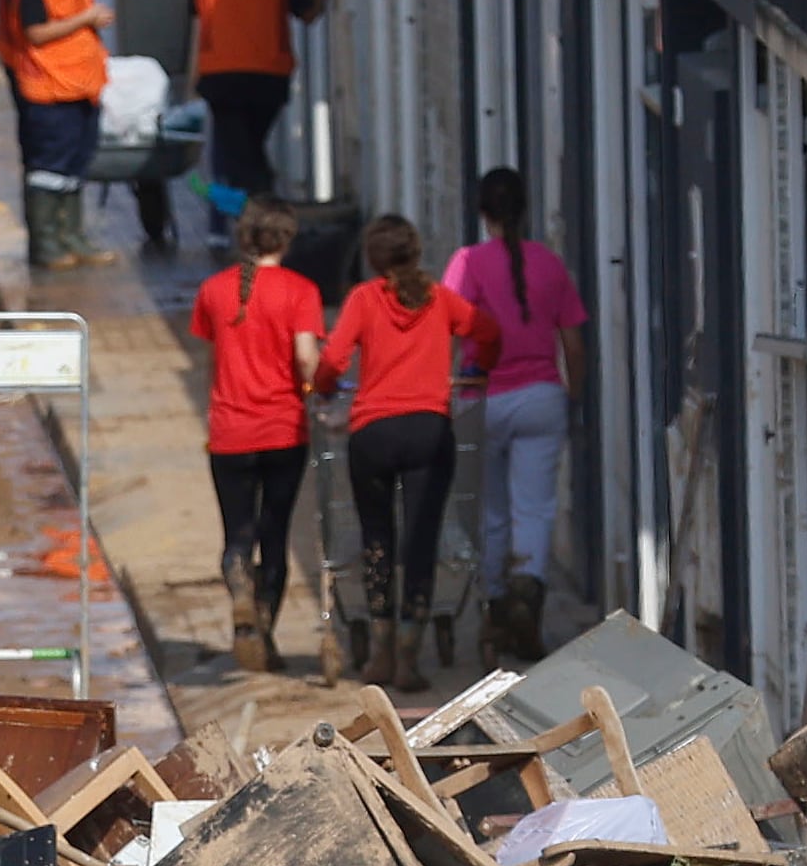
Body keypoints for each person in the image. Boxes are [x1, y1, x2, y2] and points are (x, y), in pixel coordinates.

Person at [314, 216, 494, 678]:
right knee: (420, 538)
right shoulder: (439, 298)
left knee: (377, 537)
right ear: (415, 253)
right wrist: (478, 366)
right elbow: (487, 330)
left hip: (372, 434)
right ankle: (412, 651)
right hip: (428, 434)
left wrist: (326, 387)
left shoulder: (363, 298)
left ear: (373, 258)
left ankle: (381, 649)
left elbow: (333, 358)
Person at [445, 168, 588, 663]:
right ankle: (529, 591)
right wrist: (574, 397)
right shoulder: (549, 264)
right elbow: (572, 342)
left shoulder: (467, 263)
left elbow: (446, 326)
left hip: (481, 397)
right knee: (535, 507)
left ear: (483, 214)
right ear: (524, 209)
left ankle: (495, 605)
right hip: (541, 398)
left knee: (490, 511)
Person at [190, 203, 324, 674]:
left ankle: (240, 595)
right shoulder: (301, 291)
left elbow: (212, 357)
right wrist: (321, 384)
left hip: (229, 431)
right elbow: (307, 358)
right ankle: (263, 633)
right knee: (275, 535)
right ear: (286, 240)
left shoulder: (213, 290)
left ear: (244, 239)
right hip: (283, 430)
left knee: (237, 534)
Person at [0, 0, 110, 273]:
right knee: (48, 168)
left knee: (76, 164)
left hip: (81, 85)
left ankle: (72, 235)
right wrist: (86, 19)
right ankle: (47, 242)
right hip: (49, 86)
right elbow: (35, 31)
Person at [188, 0, 327, 226]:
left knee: (242, 159)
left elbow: (197, 21)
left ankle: (262, 223)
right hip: (269, 76)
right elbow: (308, 13)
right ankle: (261, 219)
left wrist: (193, 79)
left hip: (222, 75)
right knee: (251, 151)